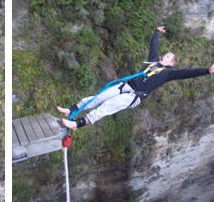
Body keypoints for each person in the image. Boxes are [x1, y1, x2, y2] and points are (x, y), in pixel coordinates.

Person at [59, 26, 214, 129]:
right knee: (98, 97)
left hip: (135, 95)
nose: (163, 56)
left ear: (171, 63)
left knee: (107, 106)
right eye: (164, 55)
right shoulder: (153, 61)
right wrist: (156, 32)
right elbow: (154, 46)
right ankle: (71, 110)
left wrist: (207, 70)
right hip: (126, 86)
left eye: (167, 57)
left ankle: (77, 124)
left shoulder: (168, 74)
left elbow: (188, 73)